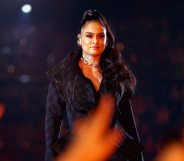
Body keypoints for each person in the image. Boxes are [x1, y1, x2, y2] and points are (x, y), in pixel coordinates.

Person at [45, 9, 144, 161]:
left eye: (101, 36)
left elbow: (128, 122)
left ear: (106, 39)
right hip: (80, 150)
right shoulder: (63, 74)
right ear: (79, 39)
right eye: (89, 36)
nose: (95, 41)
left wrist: (138, 157)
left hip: (115, 152)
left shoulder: (116, 73)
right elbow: (52, 121)